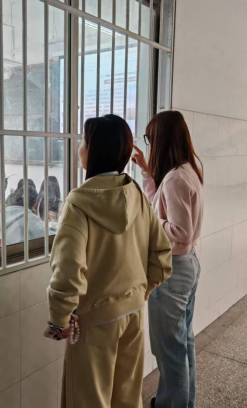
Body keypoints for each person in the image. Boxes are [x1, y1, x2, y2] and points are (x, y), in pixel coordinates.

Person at [45, 114, 173, 408]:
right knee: (127, 398)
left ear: (94, 150)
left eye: (83, 142)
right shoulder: (137, 194)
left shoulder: (78, 203)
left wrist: (59, 322)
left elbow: (67, 270)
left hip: (94, 321)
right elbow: (162, 255)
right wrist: (139, 292)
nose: (79, 148)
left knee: (89, 400)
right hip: (133, 314)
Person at [132, 111, 204, 408]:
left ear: (161, 140)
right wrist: (147, 174)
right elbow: (163, 205)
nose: (149, 145)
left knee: (169, 351)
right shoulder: (187, 170)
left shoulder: (175, 178)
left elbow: (180, 232)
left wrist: (149, 220)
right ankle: (178, 402)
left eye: (150, 139)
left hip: (173, 270)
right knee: (182, 343)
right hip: (187, 266)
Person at [0, 179, 46, 245]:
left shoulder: (5, 212)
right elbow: (44, 235)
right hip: (16, 249)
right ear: (34, 204)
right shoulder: (28, 216)